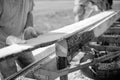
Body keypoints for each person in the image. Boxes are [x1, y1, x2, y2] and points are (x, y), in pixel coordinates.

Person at [0, 0, 40, 79]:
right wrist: (6, 38)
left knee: (35, 70)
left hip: (20, 42)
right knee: (11, 76)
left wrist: (29, 27)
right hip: (2, 46)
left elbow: (29, 13)